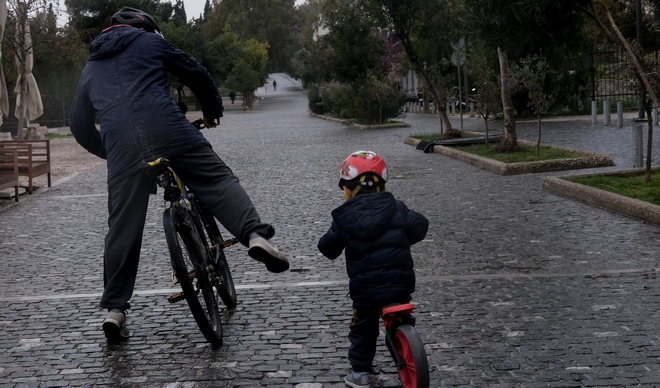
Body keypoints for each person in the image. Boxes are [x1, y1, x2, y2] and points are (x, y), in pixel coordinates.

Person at [69, 7, 289, 341]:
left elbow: (78, 125)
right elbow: (196, 72)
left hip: (122, 146)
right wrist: (213, 109)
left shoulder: (90, 68)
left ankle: (115, 311)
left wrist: (110, 152)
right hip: (166, 127)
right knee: (216, 179)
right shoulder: (150, 44)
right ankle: (255, 236)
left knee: (122, 228)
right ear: (144, 28)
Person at [317, 151, 428, 388]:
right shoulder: (397, 209)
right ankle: (403, 343)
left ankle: (360, 373)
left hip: (365, 293)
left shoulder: (344, 219)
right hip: (400, 285)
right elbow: (421, 225)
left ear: (348, 188)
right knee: (401, 314)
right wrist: (402, 238)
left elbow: (327, 249)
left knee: (363, 329)